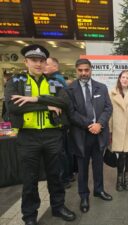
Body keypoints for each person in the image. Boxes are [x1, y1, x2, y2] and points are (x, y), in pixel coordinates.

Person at [4, 44, 76, 225]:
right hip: (28, 137)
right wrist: (46, 105)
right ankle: (29, 216)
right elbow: (13, 106)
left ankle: (58, 207)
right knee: (29, 179)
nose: (38, 63)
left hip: (53, 135)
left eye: (41, 60)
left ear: (46, 62)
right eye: (34, 60)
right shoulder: (16, 81)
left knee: (56, 175)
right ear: (26, 61)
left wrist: (35, 99)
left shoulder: (56, 82)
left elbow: (64, 103)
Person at [67, 59, 113, 213]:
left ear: (91, 70)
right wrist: (89, 124)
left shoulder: (101, 87)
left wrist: (99, 124)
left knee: (99, 165)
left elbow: (108, 108)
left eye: (86, 70)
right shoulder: (70, 89)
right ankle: (84, 196)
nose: (83, 73)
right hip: (81, 135)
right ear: (76, 70)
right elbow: (71, 113)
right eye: (80, 70)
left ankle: (98, 190)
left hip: (99, 133)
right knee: (83, 168)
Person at [44, 57, 74, 189]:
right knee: (65, 149)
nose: (44, 66)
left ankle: (65, 178)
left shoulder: (54, 81)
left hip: (59, 121)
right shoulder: (59, 80)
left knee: (61, 151)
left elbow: (57, 101)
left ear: (55, 67)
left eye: (47, 64)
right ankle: (69, 175)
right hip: (63, 120)